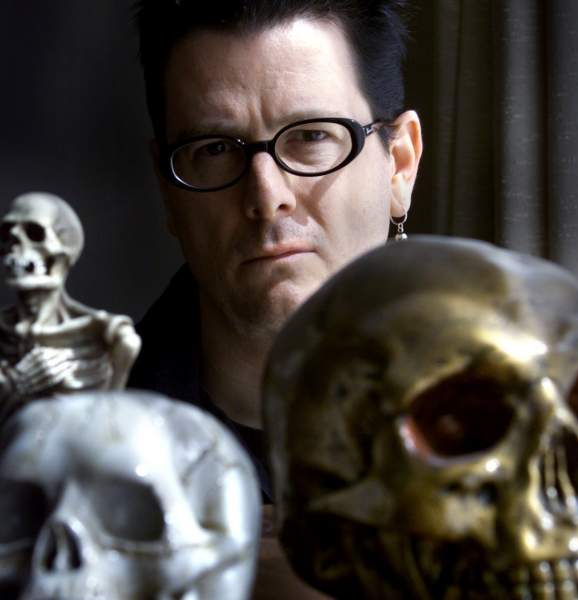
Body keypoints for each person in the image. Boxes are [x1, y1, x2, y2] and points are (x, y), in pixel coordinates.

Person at [129, 1, 422, 596]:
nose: (267, 198)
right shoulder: (73, 448)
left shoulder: (532, 404)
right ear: (167, 190)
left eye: (312, 136)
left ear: (399, 164)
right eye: (215, 148)